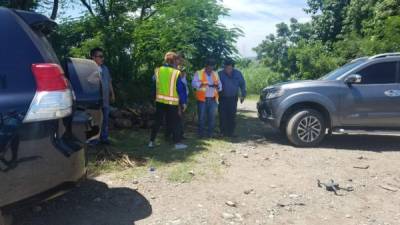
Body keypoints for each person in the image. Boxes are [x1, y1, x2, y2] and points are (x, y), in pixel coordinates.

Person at [149, 52, 188, 150]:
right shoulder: (176, 73)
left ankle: (151, 142)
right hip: (172, 102)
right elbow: (180, 88)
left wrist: (153, 97)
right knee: (175, 122)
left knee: (157, 121)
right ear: (174, 61)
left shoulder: (158, 70)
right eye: (176, 60)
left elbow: (154, 84)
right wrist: (183, 102)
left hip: (160, 101)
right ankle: (177, 143)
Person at [90, 47, 115, 145]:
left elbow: (109, 81)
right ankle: (93, 140)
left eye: (102, 56)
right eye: (100, 56)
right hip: (94, 100)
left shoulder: (105, 68)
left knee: (105, 119)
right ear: (93, 57)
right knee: (95, 120)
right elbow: (88, 82)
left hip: (105, 99)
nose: (102, 58)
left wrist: (112, 93)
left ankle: (104, 138)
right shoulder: (89, 68)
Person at [192, 58, 222, 138]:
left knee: (212, 118)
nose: (211, 69)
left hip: (213, 99)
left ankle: (210, 134)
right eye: (209, 67)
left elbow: (220, 85)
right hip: (202, 99)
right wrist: (201, 84)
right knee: (202, 118)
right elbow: (193, 83)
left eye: (212, 67)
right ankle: (201, 134)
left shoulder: (215, 74)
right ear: (206, 66)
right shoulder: (199, 73)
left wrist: (218, 86)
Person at [218, 59, 247, 137]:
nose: (228, 70)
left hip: (233, 98)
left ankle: (231, 132)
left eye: (230, 68)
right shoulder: (219, 74)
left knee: (232, 115)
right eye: (226, 68)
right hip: (222, 98)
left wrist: (243, 95)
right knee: (222, 115)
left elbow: (242, 84)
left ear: (232, 67)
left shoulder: (238, 73)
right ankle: (222, 132)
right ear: (224, 67)